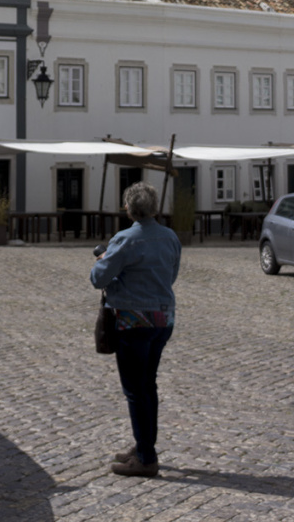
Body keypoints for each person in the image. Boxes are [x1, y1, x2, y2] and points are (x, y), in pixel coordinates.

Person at [90, 181, 181, 478]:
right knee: (148, 385)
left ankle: (145, 457)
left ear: (129, 208)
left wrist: (104, 260)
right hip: (162, 320)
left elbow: (99, 279)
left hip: (133, 321)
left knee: (135, 390)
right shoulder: (170, 237)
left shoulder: (126, 239)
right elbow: (172, 274)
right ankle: (144, 445)